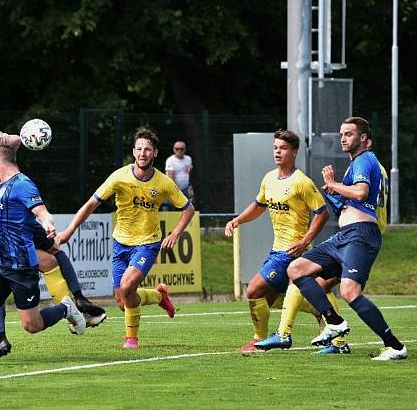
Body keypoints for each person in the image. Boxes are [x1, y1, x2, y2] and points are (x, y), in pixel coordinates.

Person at [0, 110, 105, 365]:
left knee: (2, 286)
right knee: (47, 259)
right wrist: (5, 146)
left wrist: (12, 144)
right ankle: (75, 303)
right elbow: (14, 141)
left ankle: (70, 305)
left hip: (1, 222)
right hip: (2, 219)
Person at [0, 142, 86, 381]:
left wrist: (48, 223)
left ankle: (66, 308)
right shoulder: (0, 187)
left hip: (21, 266)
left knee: (32, 325)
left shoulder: (23, 184)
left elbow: (41, 211)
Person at [58, 128, 192, 349]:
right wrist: (70, 231)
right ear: (133, 151)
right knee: (123, 301)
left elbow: (188, 208)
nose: (142, 153)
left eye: (147, 149)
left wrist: (176, 233)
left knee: (128, 286)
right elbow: (92, 203)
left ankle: (131, 339)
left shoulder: (163, 182)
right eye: (139, 148)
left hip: (147, 243)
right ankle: (159, 297)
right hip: (120, 243)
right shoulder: (119, 176)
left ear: (155, 153)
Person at [287, 117, 406, 361]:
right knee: (297, 268)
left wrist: (333, 183)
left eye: (349, 134)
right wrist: (335, 192)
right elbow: (353, 200)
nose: (343, 138)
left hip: (360, 235)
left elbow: (361, 193)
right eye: (341, 134)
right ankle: (335, 322)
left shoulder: (365, 159)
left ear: (363, 138)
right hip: (345, 236)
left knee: (350, 292)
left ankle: (394, 346)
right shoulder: (357, 163)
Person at [223, 130, 344, 353]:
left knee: (253, 290)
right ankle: (319, 311)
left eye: (284, 148)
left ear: (295, 152)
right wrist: (237, 220)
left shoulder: (302, 182)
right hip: (276, 249)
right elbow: (259, 206)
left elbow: (322, 212)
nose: (278, 151)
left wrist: (306, 239)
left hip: (292, 251)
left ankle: (258, 339)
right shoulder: (269, 178)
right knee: (268, 297)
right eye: (276, 147)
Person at [161, 141, 193, 210]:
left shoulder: (188, 159)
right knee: (166, 207)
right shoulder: (170, 160)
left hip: (185, 189)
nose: (179, 150)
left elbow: (189, 173)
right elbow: (170, 177)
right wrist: (175, 191)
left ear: (185, 149)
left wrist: (190, 185)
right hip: (172, 189)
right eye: (177, 149)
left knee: (188, 208)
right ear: (173, 149)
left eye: (182, 149)